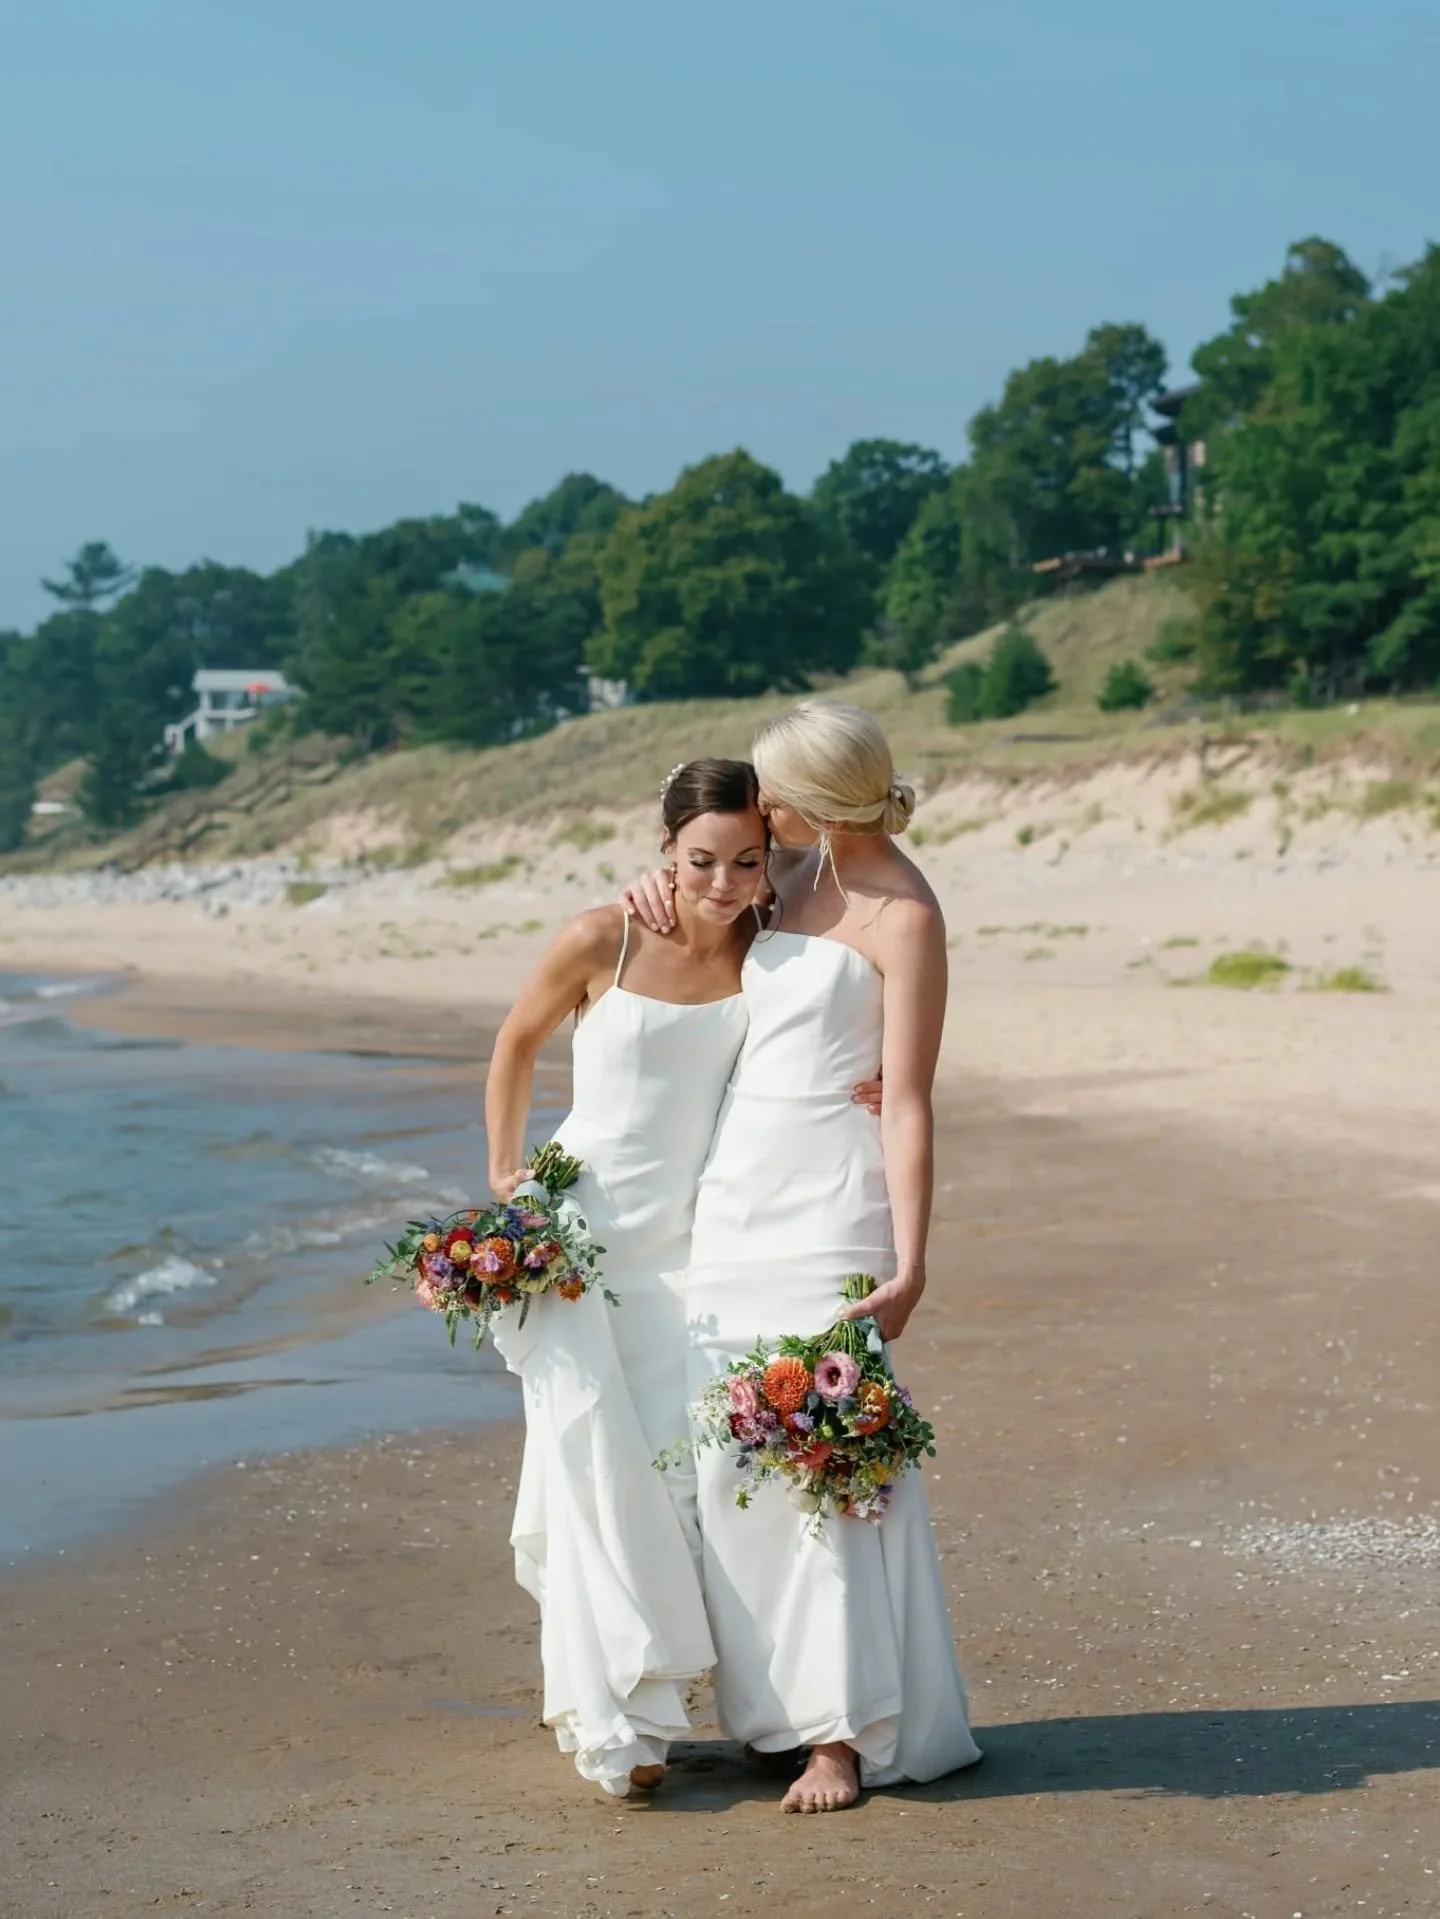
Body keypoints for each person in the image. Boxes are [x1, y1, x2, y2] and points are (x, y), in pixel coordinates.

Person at [484, 757, 881, 1798]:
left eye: (746, 860)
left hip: (690, 1252)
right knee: (593, 1463)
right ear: (664, 849)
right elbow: (516, 1042)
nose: (721, 881)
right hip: (582, 1240)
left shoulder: (769, 942)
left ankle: (728, 1700)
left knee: (676, 1473)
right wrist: (504, 1172)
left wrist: (872, 1080)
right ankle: (627, 1719)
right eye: (699, 859)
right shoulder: (602, 935)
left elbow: (835, 985)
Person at [624, 700, 982, 1814]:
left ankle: (840, 1734)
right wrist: (649, 887)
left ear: (818, 799)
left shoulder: (905, 914)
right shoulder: (782, 870)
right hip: (736, 1191)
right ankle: (775, 1711)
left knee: (822, 1450)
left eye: (772, 792)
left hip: (832, 1198)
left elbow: (907, 1100)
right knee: (734, 1451)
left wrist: (911, 1262)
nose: (757, 805)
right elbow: (700, 880)